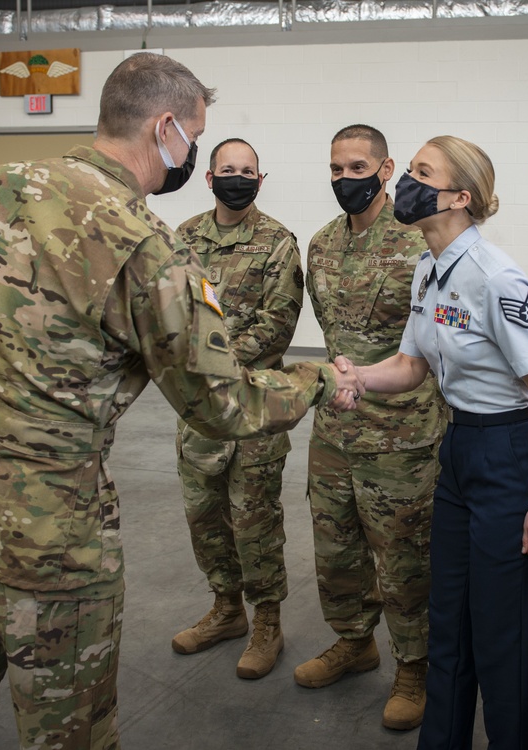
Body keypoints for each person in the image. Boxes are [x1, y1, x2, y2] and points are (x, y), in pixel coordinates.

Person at [0, 52, 362, 750]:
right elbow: (220, 405)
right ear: (166, 128)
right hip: (49, 537)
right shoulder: (140, 242)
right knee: (67, 734)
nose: (196, 153)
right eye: (195, 136)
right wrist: (321, 380)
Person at [347, 135, 528, 749]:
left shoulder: (497, 279)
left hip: (508, 456)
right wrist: (360, 377)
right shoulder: (428, 269)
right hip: (459, 452)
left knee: (501, 637)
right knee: (447, 626)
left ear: (458, 198)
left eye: (422, 173)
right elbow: (412, 366)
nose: (406, 183)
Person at [295, 124, 444, 731]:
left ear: (386, 171)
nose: (344, 179)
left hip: (402, 438)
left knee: (404, 556)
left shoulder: (419, 246)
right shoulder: (322, 244)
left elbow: (432, 348)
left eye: (358, 168)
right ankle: (355, 641)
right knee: (335, 549)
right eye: (336, 169)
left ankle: (415, 666)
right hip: (336, 429)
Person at [171, 138, 303, 680]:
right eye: (228, 170)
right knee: (205, 519)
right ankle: (226, 609)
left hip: (253, 408)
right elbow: (168, 308)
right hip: (199, 414)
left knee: (255, 523)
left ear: (260, 179)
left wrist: (206, 355)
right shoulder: (183, 239)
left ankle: (266, 621)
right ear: (209, 178)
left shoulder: (277, 242)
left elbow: (278, 324)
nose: (238, 177)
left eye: (247, 171)